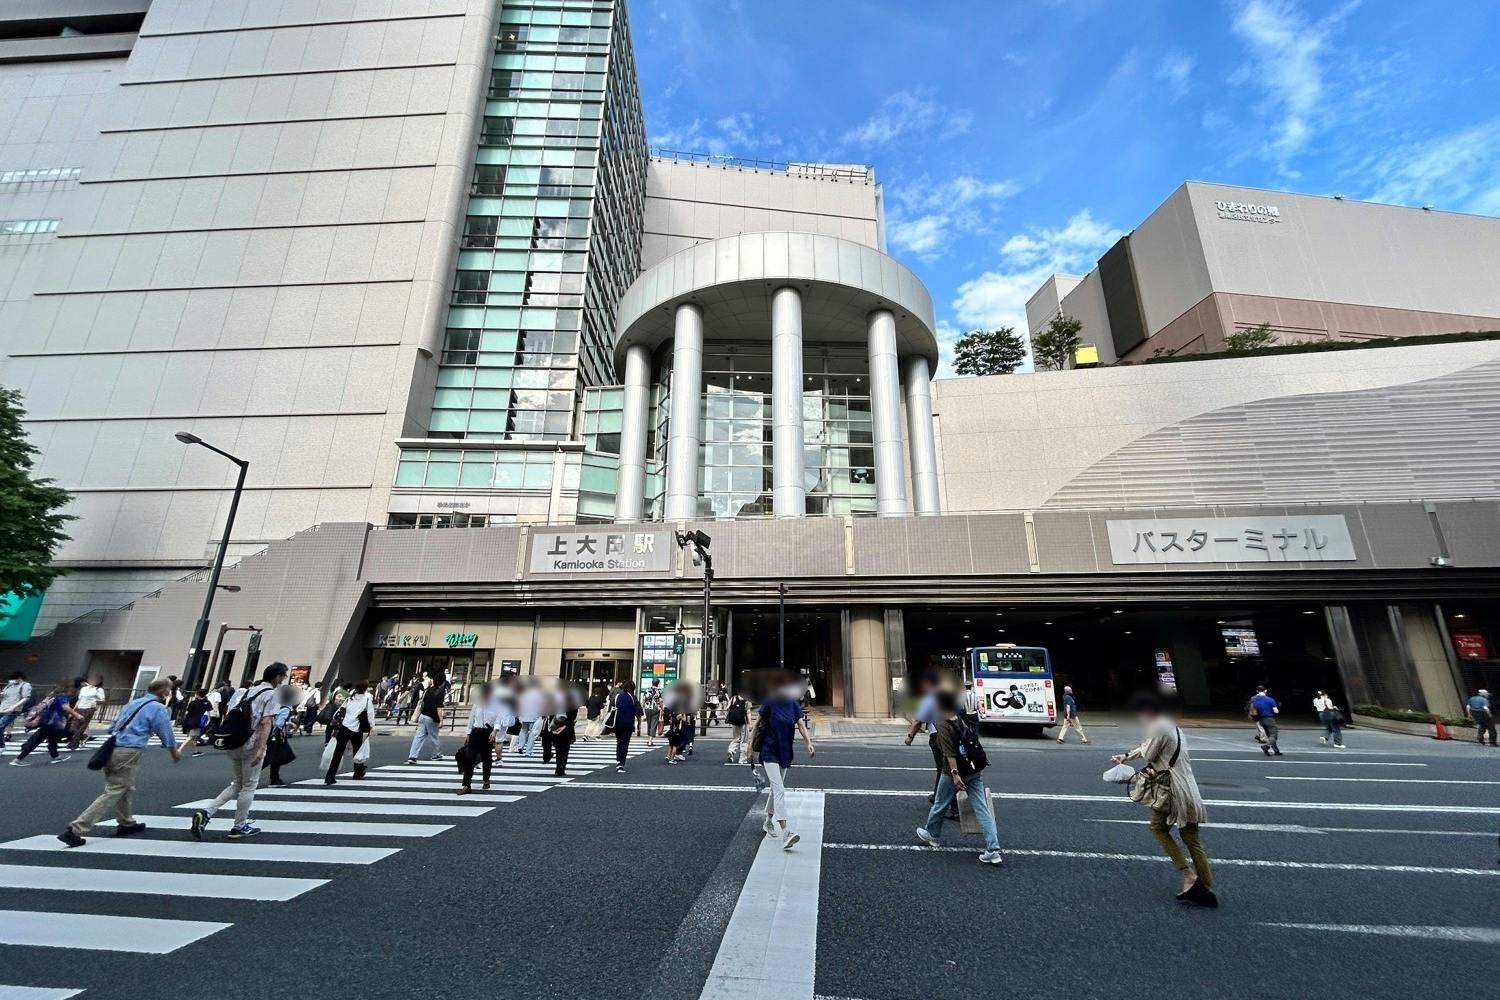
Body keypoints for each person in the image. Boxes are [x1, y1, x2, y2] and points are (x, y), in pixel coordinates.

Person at [1112, 692, 1216, 906]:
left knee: (1158, 829)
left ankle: (1189, 876)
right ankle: (1205, 888)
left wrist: (1137, 746)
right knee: (1192, 838)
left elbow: (1149, 754)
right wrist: (1126, 756)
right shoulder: (1172, 726)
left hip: (1173, 790)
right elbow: (1152, 750)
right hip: (1188, 787)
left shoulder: (1158, 726)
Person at [58, 678, 182, 847]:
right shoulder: (158, 708)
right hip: (130, 750)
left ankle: (126, 822)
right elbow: (165, 730)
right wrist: (174, 751)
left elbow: (113, 727)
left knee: (125, 786)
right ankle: (76, 829)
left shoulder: (133, 703)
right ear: (163, 691)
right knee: (115, 790)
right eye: (169, 689)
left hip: (114, 747)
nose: (170, 693)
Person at [190, 662, 288, 840]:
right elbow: (266, 722)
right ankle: (239, 825)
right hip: (251, 743)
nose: (283, 680)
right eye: (283, 676)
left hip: (234, 741)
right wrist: (262, 747)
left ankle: (206, 812)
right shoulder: (272, 695)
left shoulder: (247, 691)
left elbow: (230, 711)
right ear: (277, 677)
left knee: (237, 783)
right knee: (249, 785)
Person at [916, 689, 1003, 864]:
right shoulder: (959, 717)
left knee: (941, 802)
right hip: (974, 769)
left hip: (954, 772)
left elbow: (949, 754)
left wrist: (955, 776)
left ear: (939, 704)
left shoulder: (942, 723)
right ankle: (993, 849)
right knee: (982, 809)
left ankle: (931, 833)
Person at [748, 675, 816, 850]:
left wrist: (809, 742)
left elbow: (801, 725)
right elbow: (757, 724)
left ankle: (768, 821)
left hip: (785, 752)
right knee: (779, 789)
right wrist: (749, 747)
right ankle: (786, 832)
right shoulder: (770, 702)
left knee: (775, 788)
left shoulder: (792, 704)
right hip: (769, 750)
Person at [904, 674, 959, 821]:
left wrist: (909, 737)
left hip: (939, 736)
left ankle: (956, 807)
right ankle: (937, 795)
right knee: (943, 768)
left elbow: (917, 721)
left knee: (946, 771)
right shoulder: (948, 696)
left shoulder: (929, 698)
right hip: (955, 734)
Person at [11, 684, 82, 765]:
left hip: (48, 721)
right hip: (51, 722)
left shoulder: (52, 695)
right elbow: (66, 707)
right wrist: (78, 715)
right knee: (37, 740)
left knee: (52, 739)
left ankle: (55, 756)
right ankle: (18, 759)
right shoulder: (62, 697)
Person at [323, 680, 375, 785]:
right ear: (365, 689)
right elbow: (370, 714)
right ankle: (357, 773)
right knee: (357, 751)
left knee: (338, 752)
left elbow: (341, 711)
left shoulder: (350, 698)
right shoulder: (366, 699)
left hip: (343, 727)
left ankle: (330, 776)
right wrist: (372, 727)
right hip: (356, 729)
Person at [458, 683, 501, 794]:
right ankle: (467, 785)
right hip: (476, 731)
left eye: (486, 694)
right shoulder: (477, 703)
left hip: (488, 732)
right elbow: (471, 718)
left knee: (486, 757)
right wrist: (468, 733)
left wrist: (495, 731)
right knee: (469, 758)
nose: (484, 696)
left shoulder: (496, 704)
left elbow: (498, 719)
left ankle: (486, 779)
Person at [406, 669, 448, 763]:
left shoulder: (428, 690)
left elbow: (423, 702)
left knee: (419, 737)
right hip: (432, 718)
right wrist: (441, 720)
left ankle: (412, 756)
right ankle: (435, 754)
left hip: (423, 715)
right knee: (434, 736)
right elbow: (439, 707)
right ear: (442, 682)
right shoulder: (441, 692)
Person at [69, 675, 107, 750]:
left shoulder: (98, 689)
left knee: (82, 725)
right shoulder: (83, 689)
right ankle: (82, 737)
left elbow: (103, 700)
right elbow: (79, 699)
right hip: (80, 707)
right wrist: (73, 710)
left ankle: (74, 743)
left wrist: (95, 700)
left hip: (89, 709)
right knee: (74, 725)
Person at [0, 671, 34, 748]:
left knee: (0, 726)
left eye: (14, 679)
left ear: (19, 678)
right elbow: (4, 697)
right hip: (2, 708)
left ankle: (1, 746)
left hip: (13, 710)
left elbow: (26, 697)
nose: (12, 680)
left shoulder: (25, 685)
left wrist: (14, 707)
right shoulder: (9, 686)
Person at [545, 695, 577, 777]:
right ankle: (560, 769)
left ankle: (558, 768)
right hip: (566, 730)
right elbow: (572, 719)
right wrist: (564, 726)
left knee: (558, 750)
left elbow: (550, 716)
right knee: (564, 751)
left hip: (555, 728)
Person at [612, 680, 638, 773]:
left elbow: (612, 707)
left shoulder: (618, 696)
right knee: (624, 744)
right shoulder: (632, 697)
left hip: (617, 724)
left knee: (619, 743)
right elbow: (638, 712)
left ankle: (618, 762)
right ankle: (621, 764)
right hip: (628, 724)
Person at [1250, 685, 1281, 756]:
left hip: (1260, 719)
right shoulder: (1270, 700)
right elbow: (1276, 711)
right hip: (1269, 718)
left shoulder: (1253, 698)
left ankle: (1276, 751)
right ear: (1265, 690)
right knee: (1274, 735)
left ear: (1257, 691)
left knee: (1270, 735)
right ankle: (1266, 746)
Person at [516, 679, 545, 756]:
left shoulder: (523, 693)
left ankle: (520, 746)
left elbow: (519, 704)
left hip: (524, 715)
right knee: (532, 733)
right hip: (534, 716)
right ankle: (528, 751)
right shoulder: (539, 694)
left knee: (523, 731)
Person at [181, 688, 212, 756]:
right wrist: (208, 720)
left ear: (197, 695)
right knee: (191, 737)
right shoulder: (206, 703)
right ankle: (178, 750)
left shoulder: (193, 702)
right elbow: (209, 713)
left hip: (189, 721)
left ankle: (195, 752)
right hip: (197, 722)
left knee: (193, 738)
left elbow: (187, 712)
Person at [724, 690, 750, 765]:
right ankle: (742, 759)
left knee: (736, 738)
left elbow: (727, 708)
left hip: (734, 721)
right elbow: (748, 712)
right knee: (744, 740)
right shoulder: (747, 699)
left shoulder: (733, 698)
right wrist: (750, 723)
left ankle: (731, 750)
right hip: (743, 722)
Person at [642, 680, 663, 746]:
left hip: (647, 708)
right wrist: (662, 708)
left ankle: (649, 739)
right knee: (653, 724)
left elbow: (643, 699)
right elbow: (660, 701)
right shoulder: (658, 691)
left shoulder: (647, 689)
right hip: (655, 709)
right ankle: (650, 741)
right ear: (658, 684)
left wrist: (643, 706)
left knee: (649, 724)